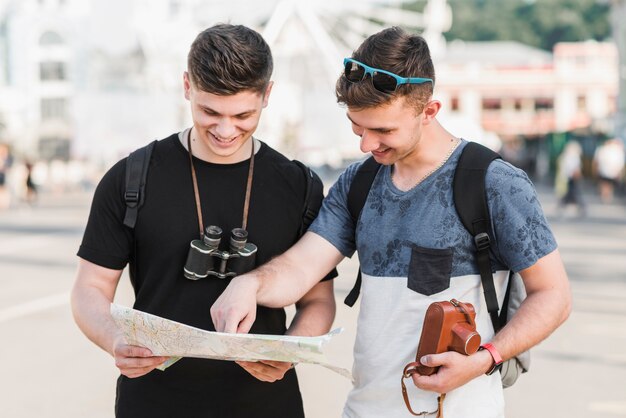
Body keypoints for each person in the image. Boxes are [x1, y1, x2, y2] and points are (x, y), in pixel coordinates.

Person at [211, 27, 571, 418]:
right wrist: (248, 283)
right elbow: (300, 267)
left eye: (383, 130)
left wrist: (485, 358)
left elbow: (553, 295)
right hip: (363, 409)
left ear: (429, 111)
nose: (366, 145)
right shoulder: (358, 182)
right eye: (357, 126)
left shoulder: (493, 182)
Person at [70, 24, 336, 418]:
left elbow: (318, 301)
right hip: (153, 403)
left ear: (268, 95)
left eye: (243, 115)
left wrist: (289, 352)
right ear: (186, 86)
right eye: (209, 112)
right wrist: (115, 341)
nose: (226, 130)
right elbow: (89, 289)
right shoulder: (131, 178)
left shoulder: (299, 185)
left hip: (266, 406)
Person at [555, 141, 586, 215]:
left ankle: (563, 205)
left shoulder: (565, 156)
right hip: (571, 178)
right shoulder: (573, 157)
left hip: (568, 178)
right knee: (573, 193)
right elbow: (575, 169)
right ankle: (580, 207)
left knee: (572, 193)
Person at [593, 138, 625, 203]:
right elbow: (620, 163)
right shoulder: (617, 151)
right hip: (611, 171)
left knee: (605, 183)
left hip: (605, 170)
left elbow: (597, 161)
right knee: (608, 184)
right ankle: (607, 196)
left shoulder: (602, 149)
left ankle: (605, 195)